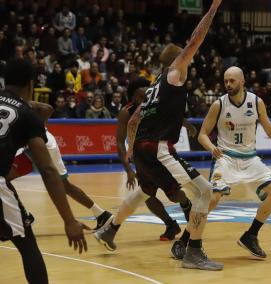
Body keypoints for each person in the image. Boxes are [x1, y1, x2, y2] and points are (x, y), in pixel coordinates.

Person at [96, 0, 223, 270]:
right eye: (186, 58)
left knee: (144, 190)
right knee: (204, 191)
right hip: (159, 148)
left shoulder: (155, 85)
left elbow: (134, 118)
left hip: (143, 147)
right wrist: (213, 9)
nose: (190, 62)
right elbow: (195, 40)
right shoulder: (175, 74)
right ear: (178, 61)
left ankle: (109, 229)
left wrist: (131, 148)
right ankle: (193, 252)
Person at [169, 66, 271, 260]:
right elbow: (202, 134)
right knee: (212, 199)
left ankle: (251, 236)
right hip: (225, 158)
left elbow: (270, 131)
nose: (228, 84)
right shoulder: (219, 104)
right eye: (226, 81)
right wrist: (212, 148)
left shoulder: (256, 102)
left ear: (242, 81)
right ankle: (184, 239)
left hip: (250, 158)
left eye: (232, 81)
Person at [0, 58, 87, 284]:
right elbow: (48, 170)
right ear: (31, 84)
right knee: (26, 243)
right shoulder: (28, 115)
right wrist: (69, 220)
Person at [106, 78, 193, 243]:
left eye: (148, 86)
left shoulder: (155, 103)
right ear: (134, 91)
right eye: (143, 86)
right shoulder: (127, 112)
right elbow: (119, 141)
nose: (147, 88)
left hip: (159, 154)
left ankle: (186, 203)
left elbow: (172, 115)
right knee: (148, 196)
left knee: (174, 195)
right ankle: (171, 225)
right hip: (142, 157)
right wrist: (128, 169)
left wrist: (187, 125)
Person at [8, 100, 113, 231]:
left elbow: (48, 108)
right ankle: (102, 214)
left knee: (3, 178)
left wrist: (36, 128)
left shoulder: (16, 101)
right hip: (34, 143)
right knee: (65, 186)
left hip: (39, 143)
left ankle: (24, 217)